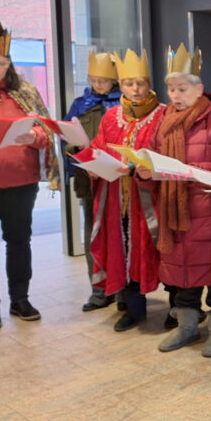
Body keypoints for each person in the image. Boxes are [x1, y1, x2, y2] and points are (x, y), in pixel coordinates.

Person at [141, 44, 211, 357]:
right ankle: (186, 326)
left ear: (199, 90)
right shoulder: (164, 121)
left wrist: (189, 171)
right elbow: (155, 159)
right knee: (181, 274)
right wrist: (144, 172)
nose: (175, 95)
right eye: (171, 89)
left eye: (182, 89)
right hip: (175, 214)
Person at [0, 22, 59, 330]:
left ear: (10, 63)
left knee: (19, 241)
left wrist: (35, 135)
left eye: (2, 63)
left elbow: (47, 127)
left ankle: (20, 299)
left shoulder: (25, 90)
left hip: (22, 182)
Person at [88, 48, 168, 332]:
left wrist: (141, 168)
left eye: (141, 83)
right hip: (119, 199)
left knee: (162, 250)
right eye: (128, 83)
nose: (135, 89)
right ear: (120, 85)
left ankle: (179, 310)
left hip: (153, 200)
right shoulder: (111, 117)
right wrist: (92, 162)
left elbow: (168, 156)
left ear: (149, 84)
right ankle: (134, 309)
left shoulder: (164, 115)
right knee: (125, 250)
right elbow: (99, 146)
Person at [65, 51, 122, 312]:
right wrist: (74, 150)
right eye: (93, 80)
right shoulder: (80, 104)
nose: (98, 85)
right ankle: (99, 290)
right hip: (89, 177)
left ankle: (123, 291)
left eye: (103, 80)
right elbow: (67, 135)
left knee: (121, 234)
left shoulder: (123, 103)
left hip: (119, 178)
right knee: (93, 234)